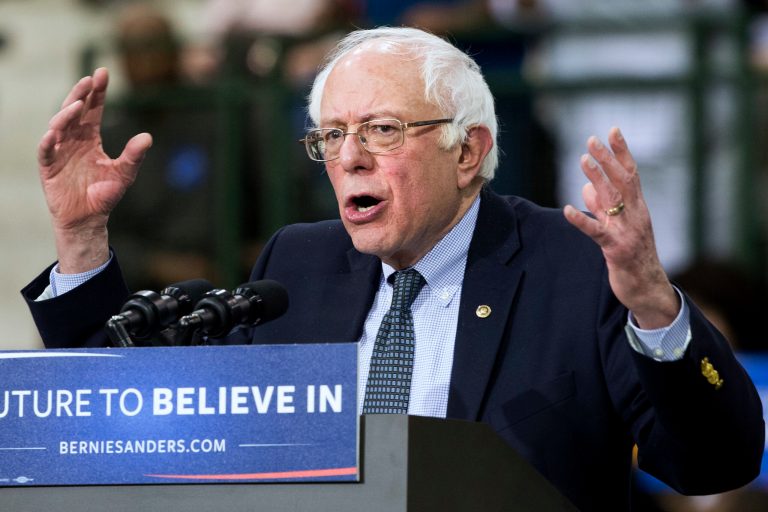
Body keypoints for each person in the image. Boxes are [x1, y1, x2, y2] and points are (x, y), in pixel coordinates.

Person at [21, 27, 763, 511]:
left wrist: (656, 310)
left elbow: (715, 463)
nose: (350, 157)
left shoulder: (570, 266)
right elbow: (120, 416)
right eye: (333, 135)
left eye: (381, 129)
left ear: (468, 151)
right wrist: (83, 237)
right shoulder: (298, 264)